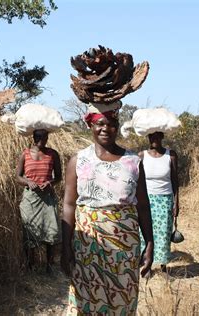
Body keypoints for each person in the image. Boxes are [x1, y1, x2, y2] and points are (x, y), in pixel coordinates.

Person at [60, 104, 154, 315]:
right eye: (100, 123)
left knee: (122, 297)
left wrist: (150, 243)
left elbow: (144, 206)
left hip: (124, 246)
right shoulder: (78, 160)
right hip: (87, 244)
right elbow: (68, 204)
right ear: (90, 125)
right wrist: (66, 247)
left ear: (117, 127)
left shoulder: (133, 162)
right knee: (86, 296)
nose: (105, 128)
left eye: (111, 124)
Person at [16, 129, 62, 273]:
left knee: (51, 230)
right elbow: (18, 176)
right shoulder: (25, 154)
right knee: (30, 231)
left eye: (44, 137)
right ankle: (31, 266)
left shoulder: (53, 154)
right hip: (30, 199)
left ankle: (49, 266)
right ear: (33, 137)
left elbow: (59, 177)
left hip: (48, 198)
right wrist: (28, 182)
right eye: (38, 137)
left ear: (48, 137)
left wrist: (50, 183)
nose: (41, 139)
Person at [139, 131, 179, 273]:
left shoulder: (171, 155)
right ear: (148, 137)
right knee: (145, 232)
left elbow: (175, 180)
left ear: (162, 137)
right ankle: (145, 264)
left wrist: (176, 202)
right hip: (146, 200)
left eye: (157, 136)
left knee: (163, 232)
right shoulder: (142, 156)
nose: (154, 139)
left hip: (165, 200)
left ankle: (163, 265)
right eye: (151, 136)